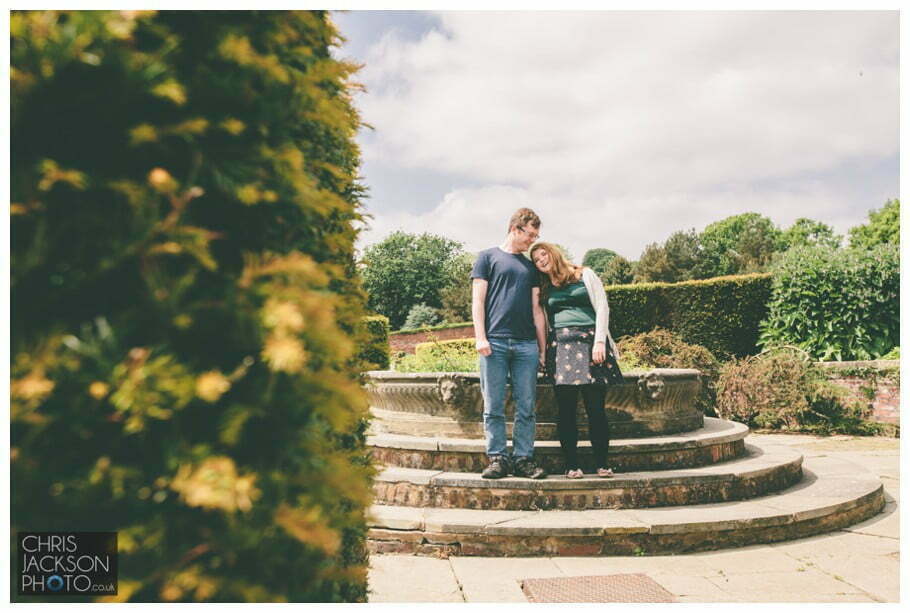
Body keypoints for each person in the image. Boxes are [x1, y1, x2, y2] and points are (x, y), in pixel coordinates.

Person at [529, 242, 624, 479]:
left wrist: (600, 342)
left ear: (553, 253)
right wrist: (542, 352)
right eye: (536, 260)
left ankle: (602, 463)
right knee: (566, 409)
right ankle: (571, 465)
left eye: (543, 254)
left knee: (596, 408)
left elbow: (602, 306)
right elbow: (540, 317)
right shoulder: (544, 286)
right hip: (560, 348)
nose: (541, 260)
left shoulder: (584, 274)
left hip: (591, 344)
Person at [471, 208, 548, 479]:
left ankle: (523, 459)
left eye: (536, 236)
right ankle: (497, 459)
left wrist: (542, 348)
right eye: (530, 235)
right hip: (495, 343)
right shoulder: (487, 258)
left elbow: (537, 310)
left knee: (526, 406)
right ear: (516, 229)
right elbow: (478, 301)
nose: (533, 241)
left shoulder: (530, 267)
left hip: (526, 345)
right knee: (493, 405)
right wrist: (480, 336)